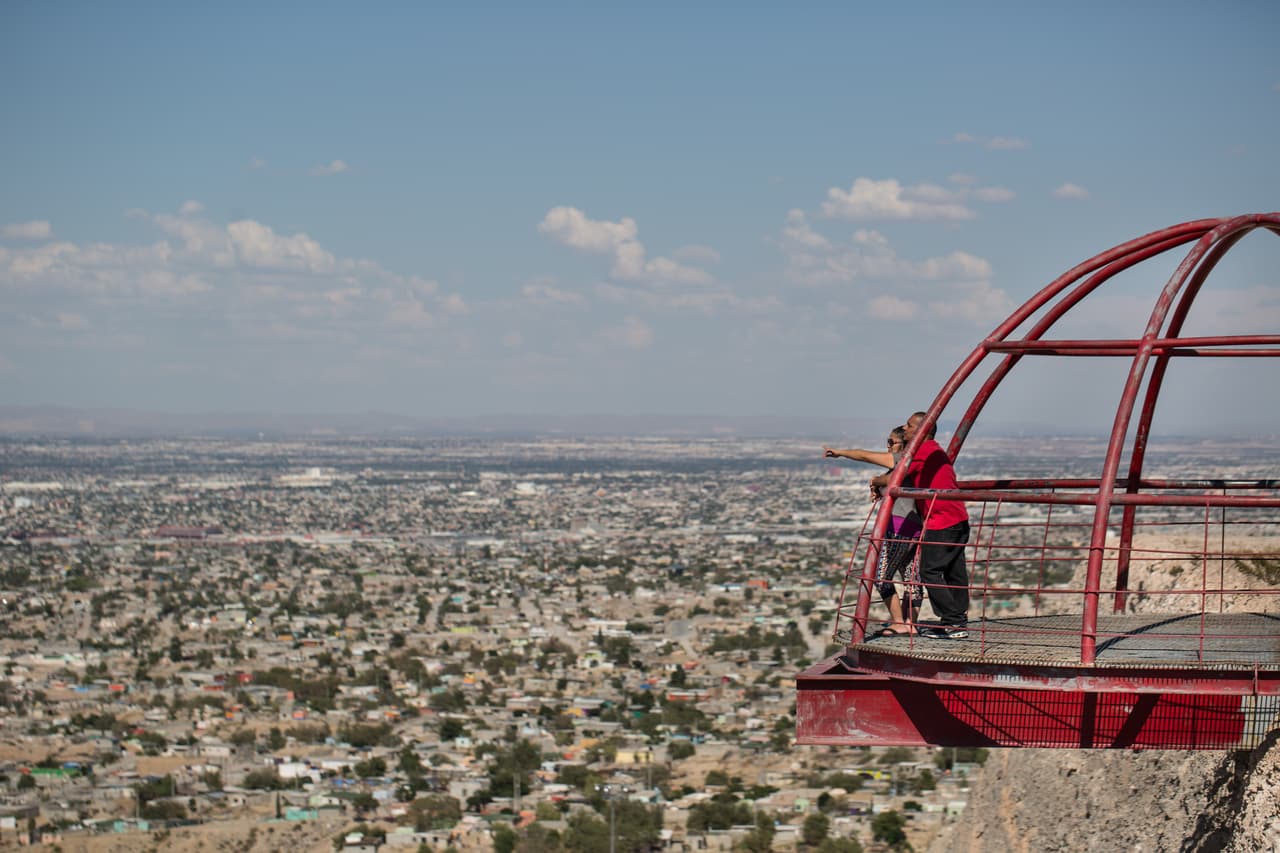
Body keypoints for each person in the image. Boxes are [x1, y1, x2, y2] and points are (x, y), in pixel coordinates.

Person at [871, 411, 970, 639]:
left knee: (929, 572)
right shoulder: (935, 451)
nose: (905, 429)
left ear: (921, 430)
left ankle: (954, 622)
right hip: (957, 518)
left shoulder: (923, 453)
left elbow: (896, 476)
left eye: (909, 426)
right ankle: (957, 622)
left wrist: (876, 481)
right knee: (954, 572)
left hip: (940, 520)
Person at [824, 428, 923, 634]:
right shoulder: (906, 466)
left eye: (891, 441)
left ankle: (899, 622)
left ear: (902, 444)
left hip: (899, 526)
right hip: (913, 526)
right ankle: (910, 623)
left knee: (880, 576)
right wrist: (877, 482)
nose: (888, 446)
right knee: (910, 577)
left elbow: (865, 455)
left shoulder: (901, 460)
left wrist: (840, 452)